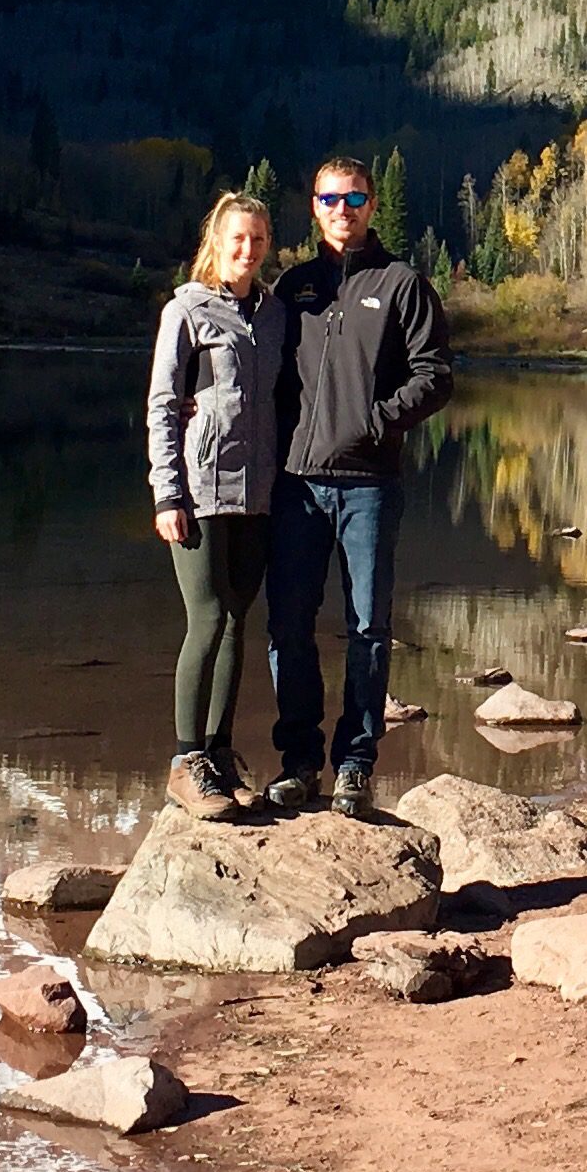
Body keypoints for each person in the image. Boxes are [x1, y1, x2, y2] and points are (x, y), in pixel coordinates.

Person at [259, 153, 452, 816]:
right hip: (297, 487)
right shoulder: (295, 287)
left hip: (369, 484)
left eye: (355, 199)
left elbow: (436, 376)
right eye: (330, 199)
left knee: (368, 626)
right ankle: (300, 761)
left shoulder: (402, 285)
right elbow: (263, 375)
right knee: (288, 625)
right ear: (314, 207)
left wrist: (377, 422)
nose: (343, 210)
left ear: (371, 206)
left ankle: (356, 764)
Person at [146, 191, 281, 823]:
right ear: (216, 242)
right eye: (237, 238)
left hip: (256, 496)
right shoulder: (187, 310)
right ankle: (185, 761)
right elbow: (164, 407)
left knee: (235, 621)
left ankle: (221, 755)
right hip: (200, 493)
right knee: (204, 619)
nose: (247, 250)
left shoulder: (275, 315)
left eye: (257, 239)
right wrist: (166, 493)